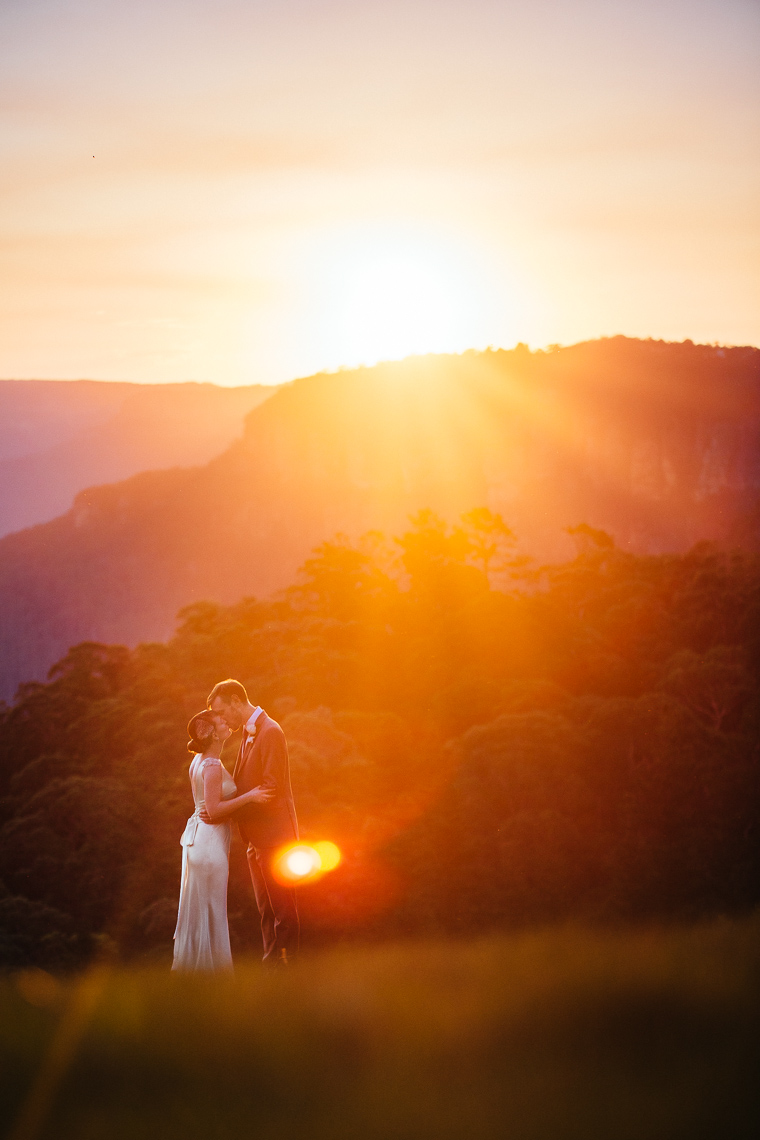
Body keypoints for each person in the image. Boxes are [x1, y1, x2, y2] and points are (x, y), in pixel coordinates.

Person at [204, 679, 300, 966]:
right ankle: (271, 965)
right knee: (266, 911)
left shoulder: (270, 732)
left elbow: (270, 790)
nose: (221, 719)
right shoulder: (248, 734)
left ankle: (288, 969)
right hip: (255, 840)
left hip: (273, 838)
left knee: (283, 909)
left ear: (236, 700)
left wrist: (226, 810)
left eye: (222, 712)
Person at [172, 710, 273, 973]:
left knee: (205, 909)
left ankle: (200, 972)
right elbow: (215, 810)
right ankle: (213, 974)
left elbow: (209, 806)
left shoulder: (201, 760)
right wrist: (251, 795)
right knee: (213, 909)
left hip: (200, 839)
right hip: (208, 843)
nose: (227, 722)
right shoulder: (212, 765)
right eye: (221, 722)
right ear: (213, 734)